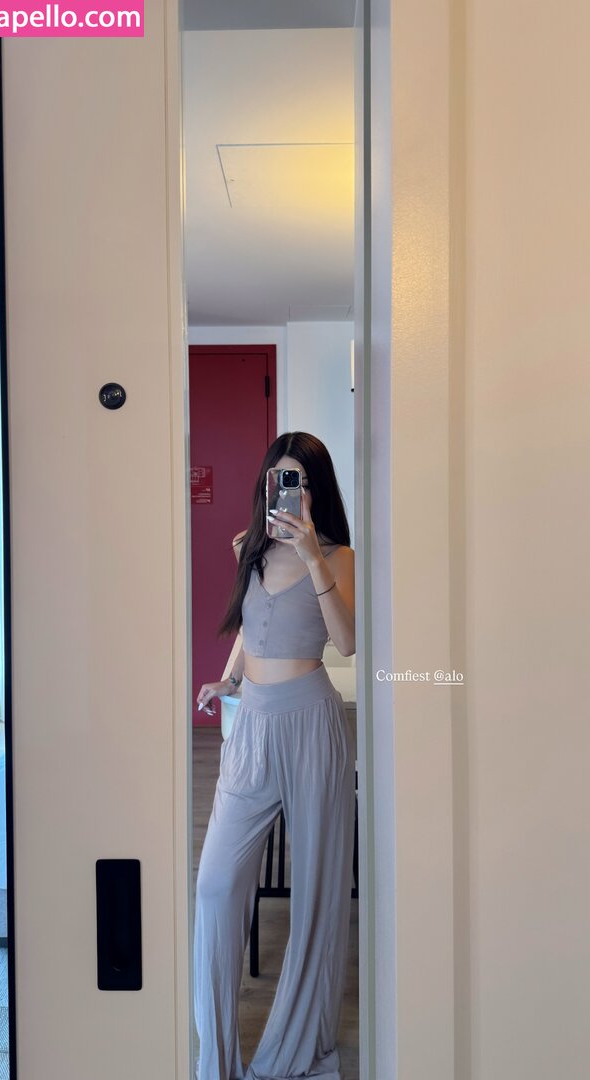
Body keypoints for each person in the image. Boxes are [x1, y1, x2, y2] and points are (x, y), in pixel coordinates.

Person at [193, 431, 357, 1080]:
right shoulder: (249, 547)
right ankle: (216, 1059)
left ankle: (291, 1051)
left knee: (316, 891)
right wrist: (229, 679)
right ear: (267, 485)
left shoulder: (338, 555)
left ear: (318, 489)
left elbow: (346, 642)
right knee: (215, 885)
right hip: (253, 723)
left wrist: (313, 557)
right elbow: (248, 625)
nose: (291, 491)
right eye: (282, 480)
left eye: (302, 481)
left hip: (312, 721)